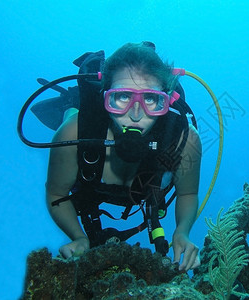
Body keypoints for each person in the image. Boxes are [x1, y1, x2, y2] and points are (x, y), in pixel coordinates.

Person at [45, 42, 202, 271]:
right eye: (121, 97)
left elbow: (188, 192)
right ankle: (71, 102)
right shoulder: (72, 134)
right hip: (84, 126)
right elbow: (56, 192)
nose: (135, 115)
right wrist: (78, 236)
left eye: (150, 99)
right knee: (73, 115)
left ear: (165, 101)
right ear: (105, 97)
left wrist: (182, 232)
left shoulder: (184, 140)